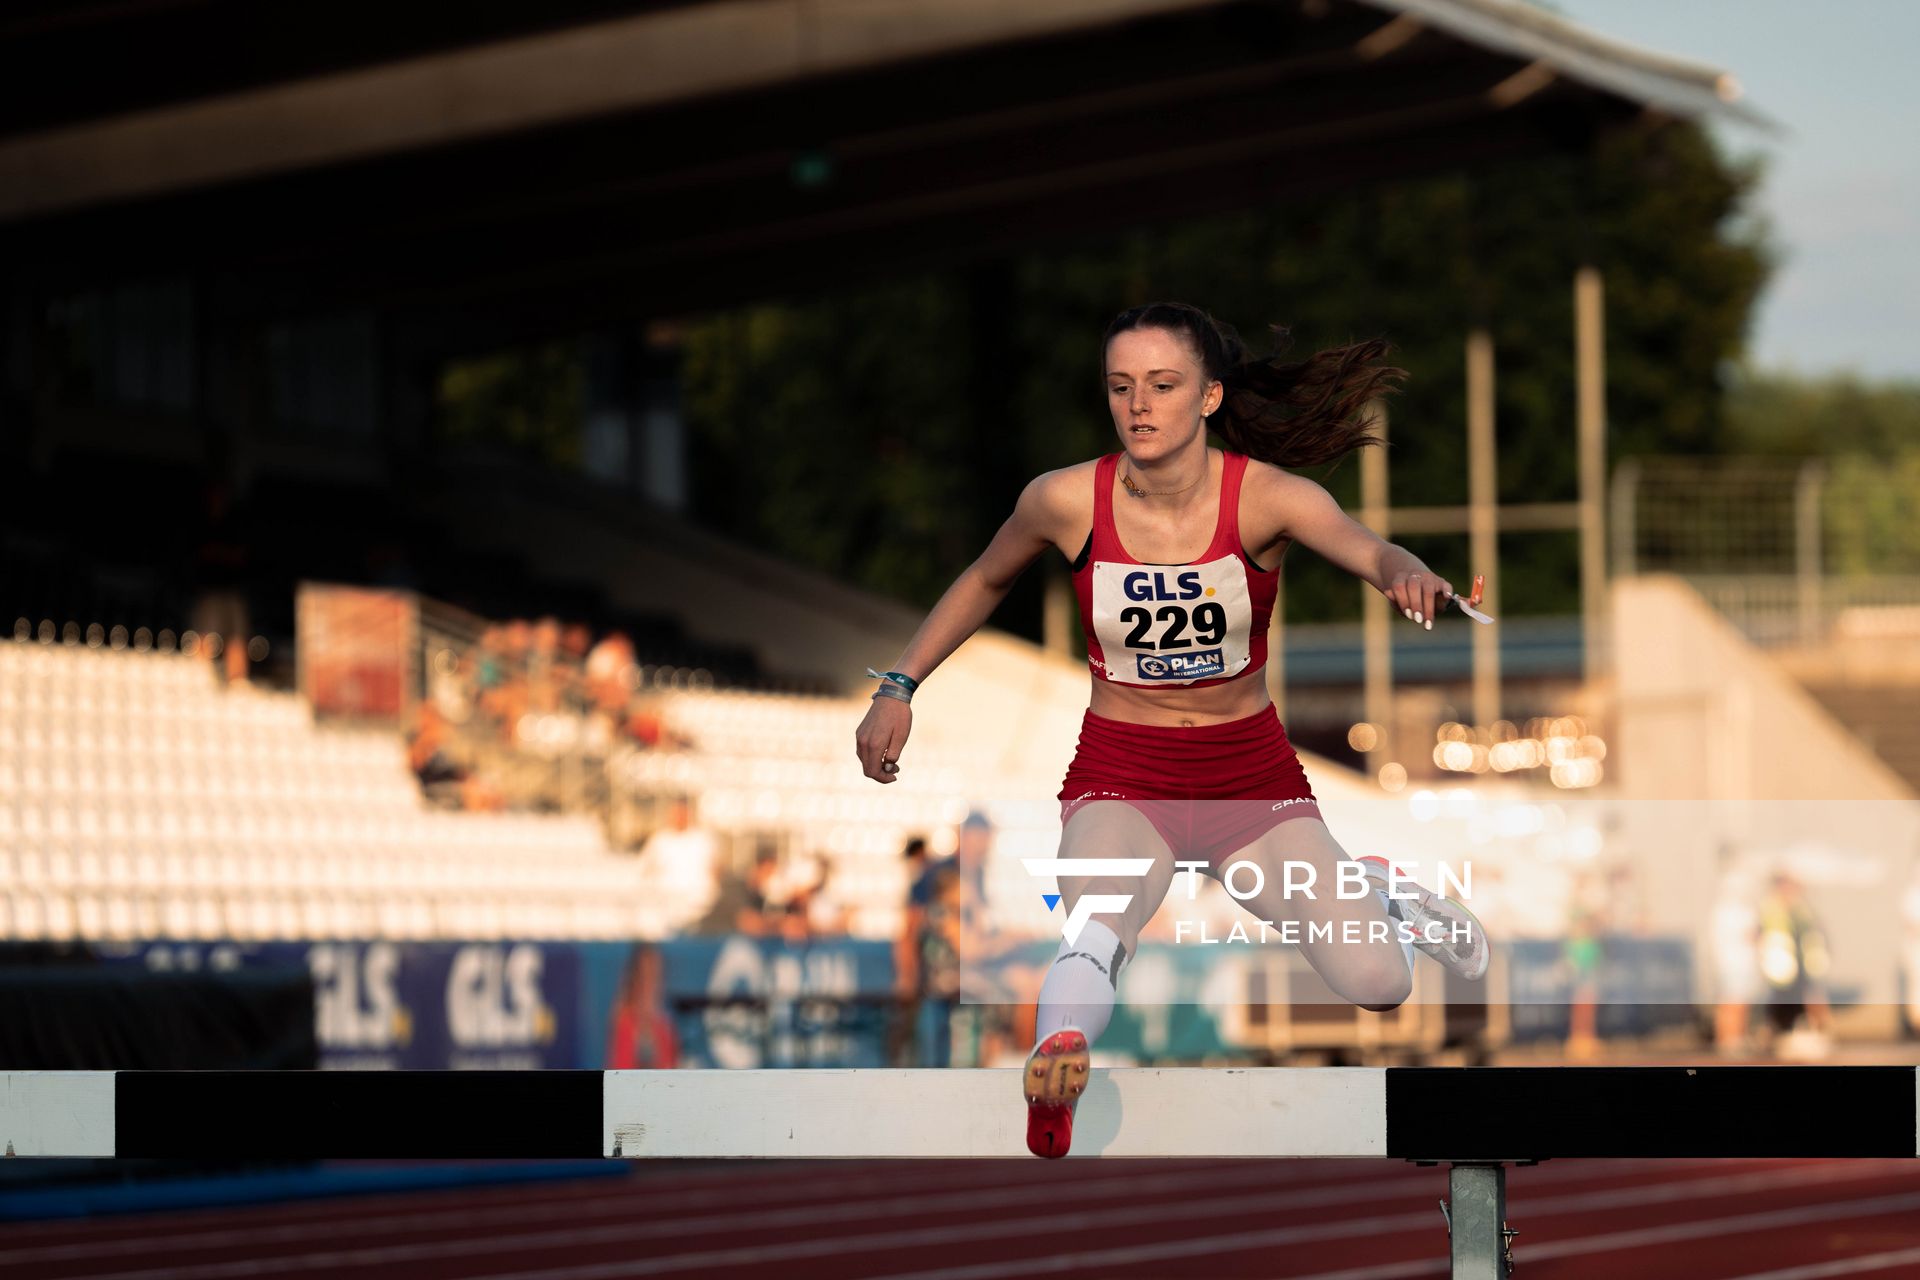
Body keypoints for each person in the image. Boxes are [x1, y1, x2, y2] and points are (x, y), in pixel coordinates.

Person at [853, 302, 1491, 1158]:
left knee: (1376, 983)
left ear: (1210, 396)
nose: (1139, 406)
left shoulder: (1267, 497)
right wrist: (900, 684)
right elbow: (985, 576)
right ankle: (1058, 1061)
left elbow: (1367, 548)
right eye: (1121, 388)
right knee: (1096, 921)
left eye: (1162, 385)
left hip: (1252, 785)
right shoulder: (1063, 499)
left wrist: (1409, 574)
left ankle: (1381, 894)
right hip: (1125, 777)